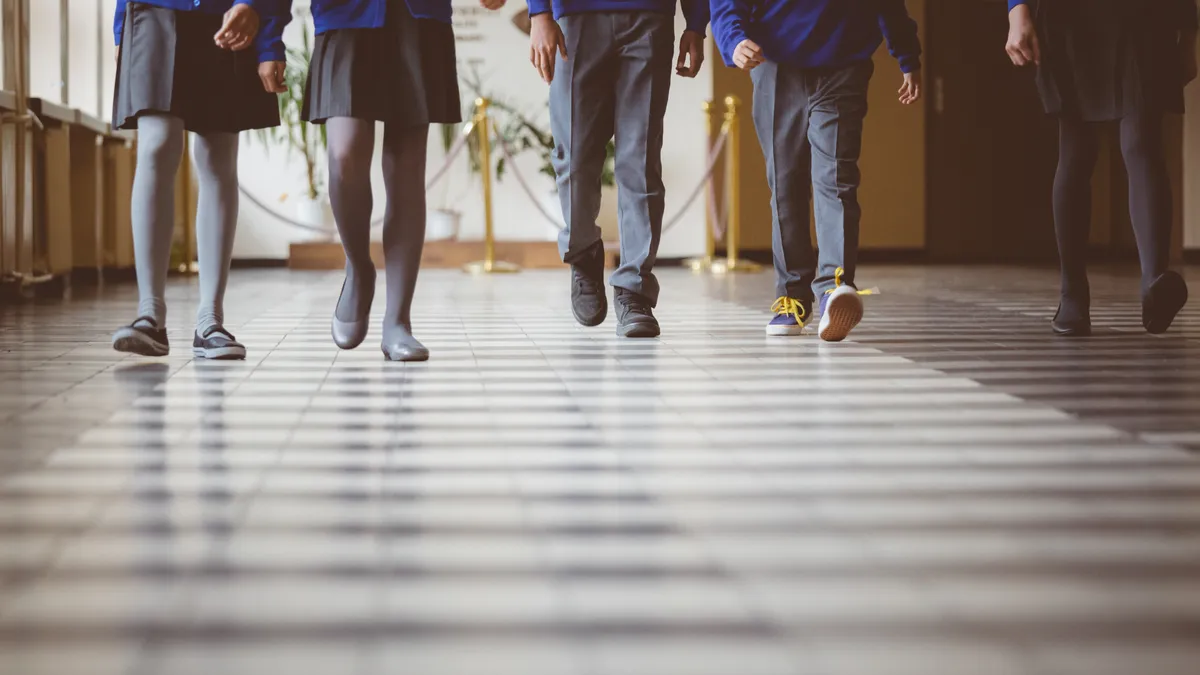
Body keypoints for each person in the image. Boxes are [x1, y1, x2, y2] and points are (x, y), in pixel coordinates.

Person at [301, 0, 507, 362]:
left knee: (406, 170)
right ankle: (359, 267)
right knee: (344, 154)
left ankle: (398, 321)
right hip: (344, 14)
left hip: (416, 16)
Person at [710, 0, 921, 342]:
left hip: (843, 62)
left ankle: (834, 288)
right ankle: (793, 297)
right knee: (784, 182)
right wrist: (731, 39)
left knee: (836, 178)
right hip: (774, 60)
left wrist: (907, 55)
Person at [111, 0, 290, 360]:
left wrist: (268, 36)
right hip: (152, 12)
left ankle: (210, 319)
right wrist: (121, 28)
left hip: (228, 14)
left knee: (217, 157)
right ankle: (150, 314)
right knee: (157, 145)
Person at [1006, 0, 1196, 336]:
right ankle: (1073, 293)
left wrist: (1189, 32)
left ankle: (1154, 284)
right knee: (1077, 149)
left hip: (1146, 14)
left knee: (1141, 141)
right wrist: (1016, 8)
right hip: (1070, 17)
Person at [528, 0, 710, 338]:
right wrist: (539, 12)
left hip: (649, 17)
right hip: (575, 17)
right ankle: (583, 252)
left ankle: (634, 290)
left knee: (640, 159)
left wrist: (696, 21)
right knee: (575, 156)